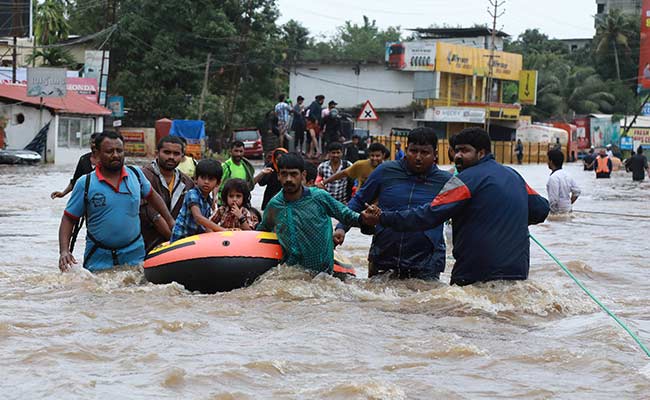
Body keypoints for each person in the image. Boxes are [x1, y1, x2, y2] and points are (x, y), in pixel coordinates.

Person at [362, 127, 550, 286]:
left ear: (482, 153)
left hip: (474, 272)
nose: (458, 156)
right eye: (456, 150)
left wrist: (383, 218)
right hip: (517, 272)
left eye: (465, 151)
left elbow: (428, 216)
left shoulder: (464, 180)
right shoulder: (513, 176)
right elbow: (541, 209)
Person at [335, 128, 451, 280]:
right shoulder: (385, 171)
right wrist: (341, 228)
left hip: (426, 263)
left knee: (425, 301)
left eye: (424, 153)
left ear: (435, 154)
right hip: (384, 255)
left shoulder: (446, 181)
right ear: (406, 149)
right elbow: (359, 200)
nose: (418, 157)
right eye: (413, 151)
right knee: (376, 301)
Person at [58, 132, 176, 272]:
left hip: (134, 255)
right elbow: (68, 219)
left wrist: (170, 221)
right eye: (109, 151)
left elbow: (153, 197)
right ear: (97, 154)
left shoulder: (136, 175)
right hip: (98, 257)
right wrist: (64, 251)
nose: (115, 155)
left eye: (119, 151)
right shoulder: (85, 183)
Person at [256, 153, 367, 274]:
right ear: (278, 176)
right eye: (284, 174)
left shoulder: (319, 197)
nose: (288, 179)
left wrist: (365, 219)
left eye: (293, 174)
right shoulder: (274, 205)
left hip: (322, 275)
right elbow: (262, 231)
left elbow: (347, 215)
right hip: (291, 275)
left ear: (303, 175)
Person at [139, 136, 195, 252]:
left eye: (176, 154)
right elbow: (152, 214)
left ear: (182, 156)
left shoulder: (187, 182)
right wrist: (176, 243)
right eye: (167, 152)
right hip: (147, 244)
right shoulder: (143, 176)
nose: (171, 157)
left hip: (178, 244)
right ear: (157, 153)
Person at [170, 159, 225, 242]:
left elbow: (205, 225)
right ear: (195, 179)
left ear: (218, 183)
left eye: (210, 179)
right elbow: (198, 218)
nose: (206, 182)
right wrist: (222, 230)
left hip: (193, 239)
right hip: (181, 239)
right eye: (203, 178)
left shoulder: (207, 201)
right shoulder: (192, 194)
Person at [318, 142, 388, 191]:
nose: (374, 158)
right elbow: (342, 174)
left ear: (383, 155)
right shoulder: (360, 165)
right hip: (360, 200)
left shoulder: (388, 169)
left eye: (377, 156)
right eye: (372, 155)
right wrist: (323, 182)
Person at [51, 133, 98, 199]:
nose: (94, 145)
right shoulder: (83, 159)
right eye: (93, 142)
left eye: (97, 143)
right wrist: (63, 193)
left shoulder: (106, 161)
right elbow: (75, 180)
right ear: (90, 143)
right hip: (84, 197)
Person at [546, 149, 580, 214]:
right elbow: (577, 191)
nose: (547, 162)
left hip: (558, 212)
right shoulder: (567, 175)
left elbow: (553, 200)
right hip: (568, 210)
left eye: (547, 160)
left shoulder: (553, 178)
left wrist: (551, 213)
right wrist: (568, 203)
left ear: (551, 161)